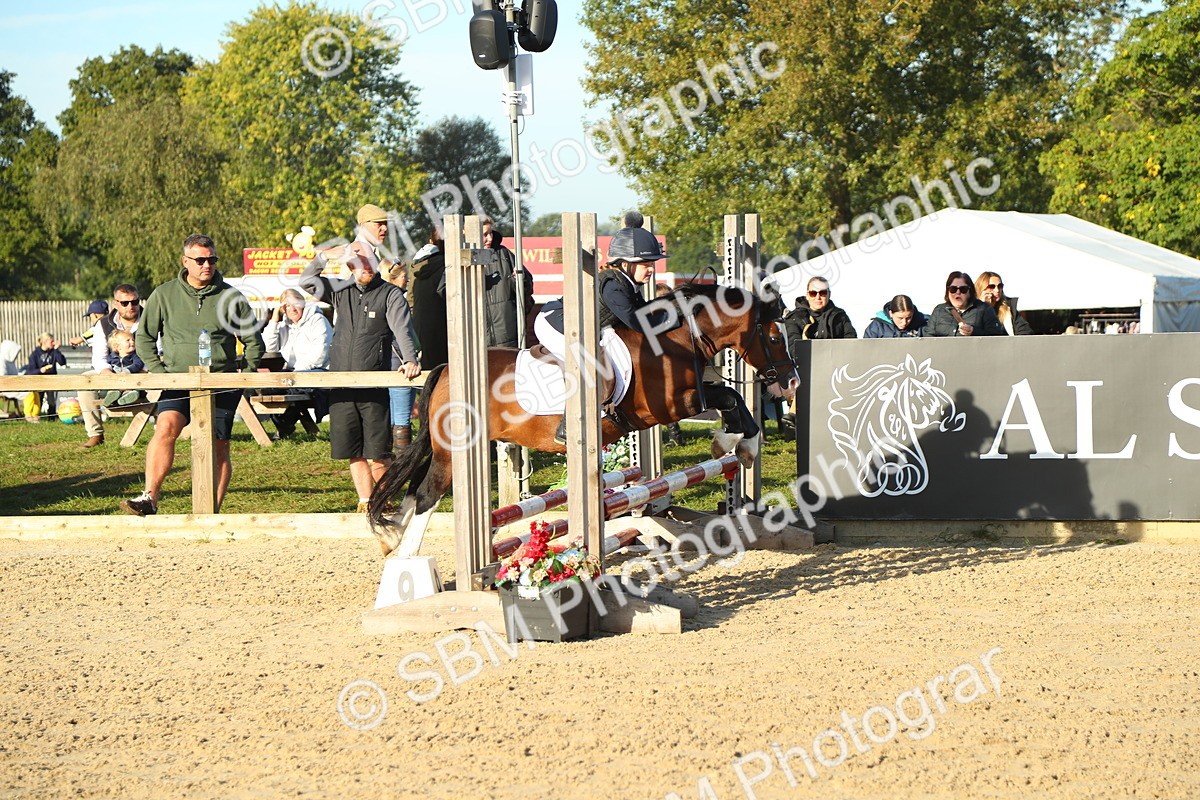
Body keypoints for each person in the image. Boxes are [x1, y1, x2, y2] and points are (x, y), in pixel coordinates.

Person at [120, 234, 265, 516]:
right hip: (176, 380)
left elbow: (253, 340)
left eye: (211, 259)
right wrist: (161, 373)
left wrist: (244, 377)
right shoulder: (164, 294)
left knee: (219, 445)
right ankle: (149, 497)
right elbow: (146, 338)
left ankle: (211, 510)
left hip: (221, 382)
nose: (206, 265)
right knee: (166, 428)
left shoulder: (230, 296)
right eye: (200, 260)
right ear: (185, 261)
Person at [301, 207, 421, 513]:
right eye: (358, 263)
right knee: (352, 449)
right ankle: (366, 501)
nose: (363, 267)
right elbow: (307, 281)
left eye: (368, 262)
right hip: (341, 381)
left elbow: (402, 330)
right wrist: (323, 257)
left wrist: (409, 359)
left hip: (373, 381)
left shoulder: (390, 294)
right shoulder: (340, 291)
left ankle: (386, 498)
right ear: (351, 266)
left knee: (378, 450)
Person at [534, 210, 679, 444]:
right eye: (645, 264)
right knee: (586, 359)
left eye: (652, 263)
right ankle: (567, 424)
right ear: (625, 264)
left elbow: (643, 315)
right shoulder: (613, 285)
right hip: (555, 323)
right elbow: (636, 322)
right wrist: (673, 320)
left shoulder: (629, 283)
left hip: (582, 324)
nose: (651, 269)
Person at [261, 288, 333, 439]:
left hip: (319, 371)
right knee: (267, 385)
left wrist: (295, 375)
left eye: (295, 304)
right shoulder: (285, 325)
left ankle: (284, 426)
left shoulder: (318, 320)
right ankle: (282, 425)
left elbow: (320, 354)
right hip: (294, 372)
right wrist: (274, 319)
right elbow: (268, 347)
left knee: (295, 389)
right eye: (287, 306)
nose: (292, 309)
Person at [78, 284, 143, 447]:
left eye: (135, 302)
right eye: (125, 303)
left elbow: (159, 350)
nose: (131, 306)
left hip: (143, 370)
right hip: (113, 370)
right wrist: (109, 374)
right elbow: (99, 357)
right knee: (85, 380)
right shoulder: (103, 324)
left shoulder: (150, 318)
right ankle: (95, 434)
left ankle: (164, 429)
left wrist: (140, 371)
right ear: (115, 303)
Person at [480, 216, 534, 348]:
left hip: (508, 335)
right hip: (478, 338)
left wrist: (521, 280)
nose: (490, 239)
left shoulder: (504, 254)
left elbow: (527, 288)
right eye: (485, 234)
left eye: (491, 233)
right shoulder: (461, 259)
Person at [382, 259, 417, 452]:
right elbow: (401, 332)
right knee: (402, 417)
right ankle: (402, 459)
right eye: (404, 276)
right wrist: (410, 358)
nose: (408, 279)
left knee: (395, 416)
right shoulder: (396, 300)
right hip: (400, 361)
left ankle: (389, 459)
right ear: (393, 278)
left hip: (393, 361)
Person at [409, 227, 448, 370]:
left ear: (431, 242)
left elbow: (411, 299)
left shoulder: (416, 267)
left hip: (421, 327)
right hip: (444, 328)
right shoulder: (448, 266)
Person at [927, 271, 1005, 337]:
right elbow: (927, 338)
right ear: (948, 291)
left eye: (963, 289)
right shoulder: (939, 311)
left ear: (970, 292)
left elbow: (996, 338)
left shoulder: (984, 310)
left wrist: (974, 332)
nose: (958, 292)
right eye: (953, 289)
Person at [785, 277, 858, 340]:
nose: (818, 297)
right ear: (807, 295)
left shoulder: (840, 316)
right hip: (807, 356)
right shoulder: (794, 318)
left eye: (822, 293)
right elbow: (793, 349)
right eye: (813, 293)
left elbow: (851, 342)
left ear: (829, 294)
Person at [24, 332, 67, 421]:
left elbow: (62, 362)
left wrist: (57, 350)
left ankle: (51, 419)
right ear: (44, 341)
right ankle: (36, 418)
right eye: (51, 341)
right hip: (39, 380)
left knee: (52, 401)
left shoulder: (53, 352)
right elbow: (30, 371)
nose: (53, 343)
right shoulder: (35, 354)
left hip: (51, 380)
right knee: (38, 400)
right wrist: (41, 370)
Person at [101, 330, 146, 407]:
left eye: (133, 339)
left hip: (132, 382)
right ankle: (112, 395)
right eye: (128, 340)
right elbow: (106, 366)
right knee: (111, 387)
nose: (132, 342)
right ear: (117, 346)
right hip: (117, 383)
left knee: (135, 389)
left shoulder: (135, 356)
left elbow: (138, 364)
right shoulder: (112, 357)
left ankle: (128, 396)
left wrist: (128, 371)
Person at [863, 295, 929, 338]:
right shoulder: (877, 326)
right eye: (900, 318)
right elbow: (866, 350)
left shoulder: (923, 324)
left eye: (908, 318)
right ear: (891, 313)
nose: (904, 322)